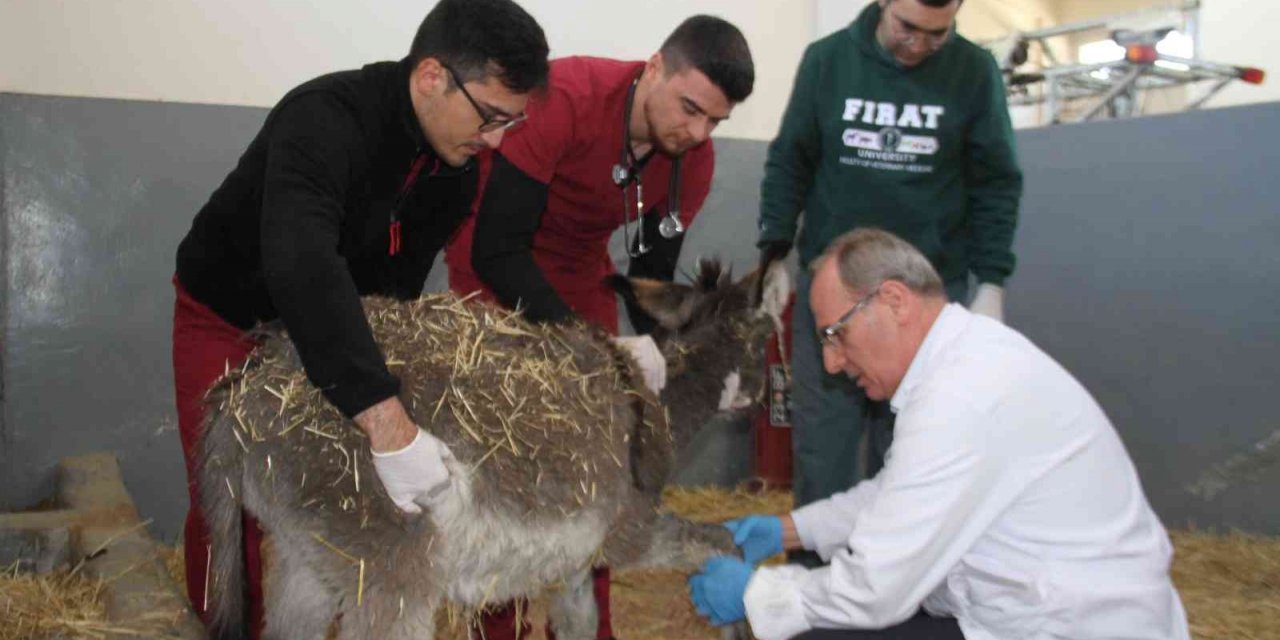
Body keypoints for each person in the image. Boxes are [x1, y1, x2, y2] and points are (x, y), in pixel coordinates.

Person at [170, 1, 548, 635]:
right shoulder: (322, 117)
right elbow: (302, 263)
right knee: (224, 497)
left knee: (341, 491)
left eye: (511, 122)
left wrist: (396, 402)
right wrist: (385, 420)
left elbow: (391, 300)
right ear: (432, 76)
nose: (495, 140)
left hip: (334, 331)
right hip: (230, 316)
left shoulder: (455, 173)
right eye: (489, 115)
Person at [687, 229, 1190, 640]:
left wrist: (757, 594)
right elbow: (901, 495)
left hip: (1070, 626)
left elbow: (876, 590)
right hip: (1025, 615)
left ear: (894, 301)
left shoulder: (962, 396)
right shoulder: (962, 364)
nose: (832, 362)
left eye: (835, 334)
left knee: (805, 629)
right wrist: (789, 530)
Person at [444, 16, 754, 640]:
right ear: (655, 68)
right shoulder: (565, 98)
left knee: (602, 463)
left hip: (580, 269)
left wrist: (677, 356)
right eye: (690, 108)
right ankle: (497, 626)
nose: (697, 133)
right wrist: (593, 347)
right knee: (506, 457)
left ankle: (589, 627)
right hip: (494, 261)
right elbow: (498, 249)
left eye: (715, 122)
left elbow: (650, 276)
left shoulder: (691, 158)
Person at [756, 0, 1024, 520]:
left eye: (937, 33)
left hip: (923, 302)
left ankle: (901, 569)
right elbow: (791, 160)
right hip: (834, 294)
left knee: (913, 455)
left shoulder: (974, 71)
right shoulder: (827, 61)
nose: (918, 44)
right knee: (823, 450)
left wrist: (992, 281)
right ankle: (814, 568)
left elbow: (996, 181)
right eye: (908, 27)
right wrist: (775, 252)